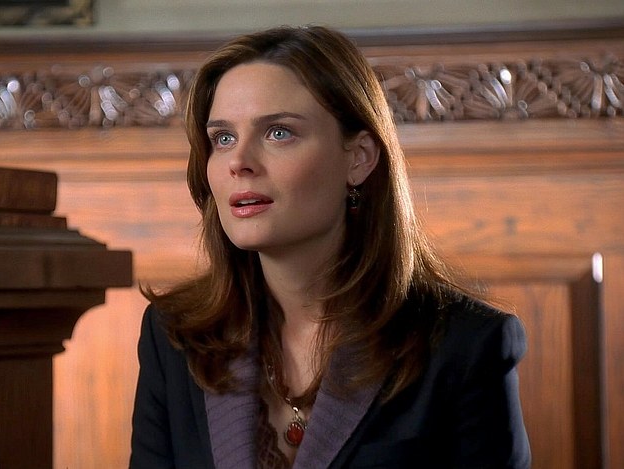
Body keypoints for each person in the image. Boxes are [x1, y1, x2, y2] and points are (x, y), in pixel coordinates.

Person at [129, 25, 531, 469]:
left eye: (278, 132)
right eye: (223, 138)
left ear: (359, 158)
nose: (239, 162)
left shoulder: (466, 345)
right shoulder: (173, 336)